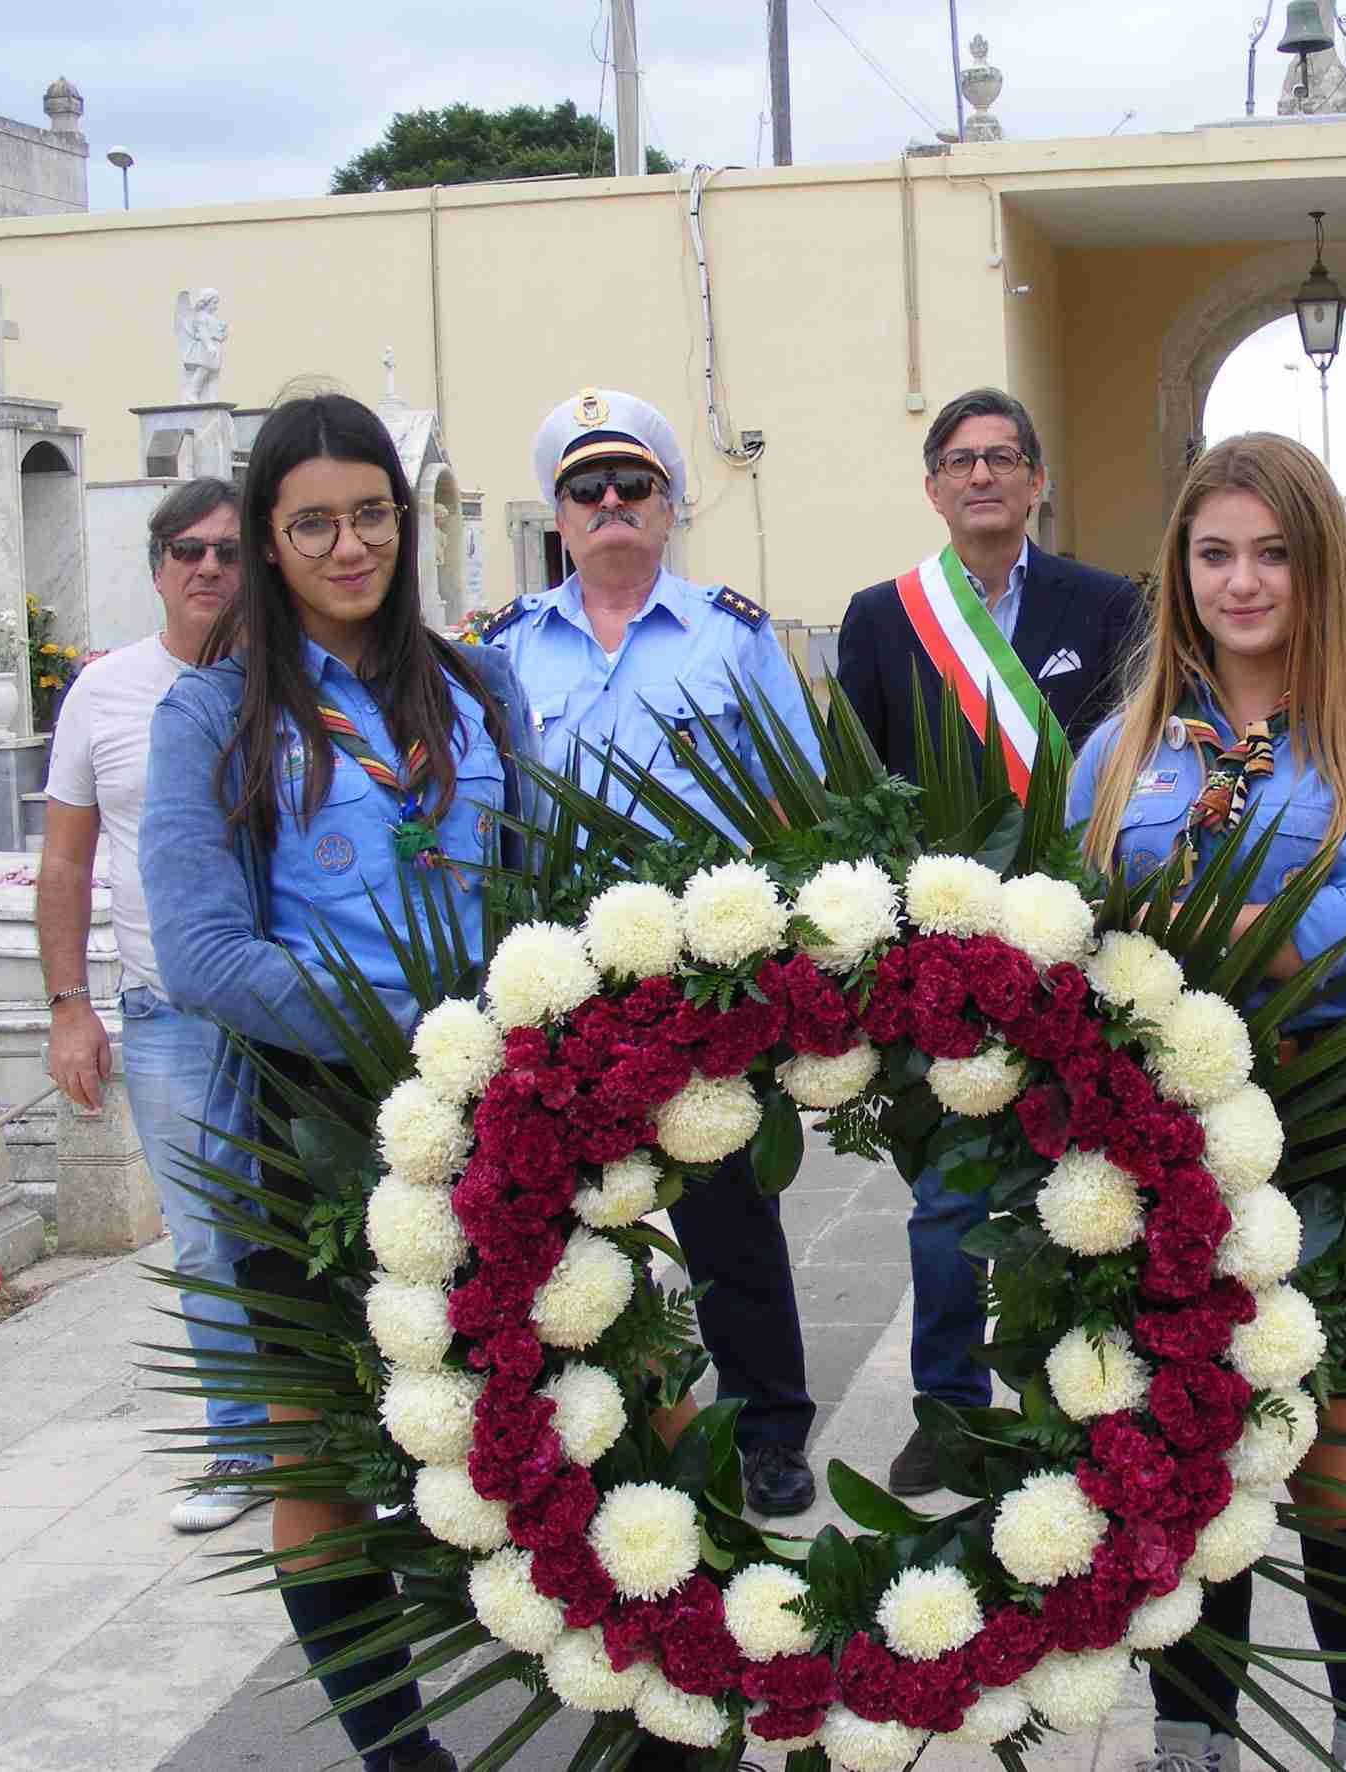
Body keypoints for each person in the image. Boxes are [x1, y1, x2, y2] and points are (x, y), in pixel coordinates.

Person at [144, 393, 532, 1772]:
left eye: (371, 515)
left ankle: (644, 1693)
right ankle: (395, 1749)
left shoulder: (478, 687)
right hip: (311, 1129)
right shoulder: (208, 717)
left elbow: (533, 893)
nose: (349, 544)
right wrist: (396, 1024)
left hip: (502, 1110)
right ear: (263, 538)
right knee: (323, 1457)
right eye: (313, 522)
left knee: (593, 1388)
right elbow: (199, 950)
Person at [1071, 432, 1346, 1772]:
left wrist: (1168, 909)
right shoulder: (1119, 754)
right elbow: (1067, 931)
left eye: (1273, 552)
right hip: (1163, 1149)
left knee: (1340, 1463)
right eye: (1215, 552)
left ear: (1320, 566)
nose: (1243, 582)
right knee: (1189, 1459)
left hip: (1343, 1131)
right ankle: (1195, 1744)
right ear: (1179, 569)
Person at [484, 386, 825, 1522]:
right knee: (576, 1216)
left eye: (635, 484)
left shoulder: (730, 636)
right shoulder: (502, 655)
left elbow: (793, 804)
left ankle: (772, 1432)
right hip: (562, 983)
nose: (613, 502)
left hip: (703, 982)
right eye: (588, 489)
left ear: (670, 506)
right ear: (559, 516)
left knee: (730, 1219)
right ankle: (612, 1424)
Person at [837, 387, 1143, 1496]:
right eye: (960, 460)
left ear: (1037, 480)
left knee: (1080, 1177)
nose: (982, 476)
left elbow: (1132, 767)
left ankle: (1068, 1400)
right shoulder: (883, 615)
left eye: (1003, 457)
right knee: (948, 1198)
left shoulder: (1107, 605)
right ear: (931, 485)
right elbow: (858, 788)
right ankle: (948, 1409)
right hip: (942, 954)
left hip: (1075, 941)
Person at [37, 475, 272, 1533]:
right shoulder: (103, 691)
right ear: (157, 566)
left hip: (291, 1007)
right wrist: (66, 1006)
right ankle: (239, 1449)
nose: (208, 569)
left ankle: (360, 1438)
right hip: (169, 1014)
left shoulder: (287, 682)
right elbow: (65, 860)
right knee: (204, 1238)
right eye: (188, 551)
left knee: (341, 1212)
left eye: (227, 550)